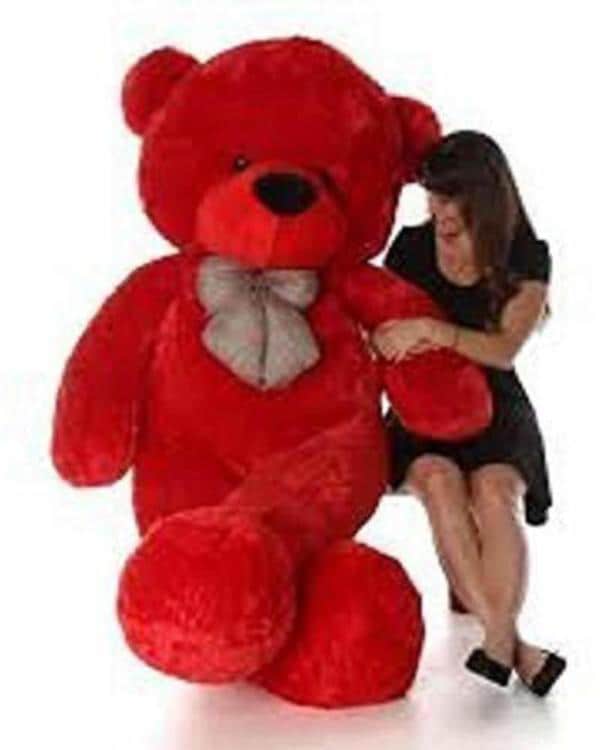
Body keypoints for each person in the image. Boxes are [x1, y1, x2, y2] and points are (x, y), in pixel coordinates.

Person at [371, 131, 566, 696]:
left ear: (486, 199)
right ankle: (512, 644)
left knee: (495, 491)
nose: (438, 211)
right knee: (439, 481)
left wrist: (431, 330)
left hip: (497, 399)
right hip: (426, 402)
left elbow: (503, 349)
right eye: (432, 196)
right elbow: (381, 329)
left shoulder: (526, 256)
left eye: (450, 199)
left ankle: (498, 641)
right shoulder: (411, 248)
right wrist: (386, 341)